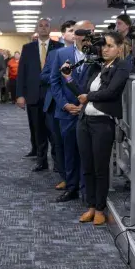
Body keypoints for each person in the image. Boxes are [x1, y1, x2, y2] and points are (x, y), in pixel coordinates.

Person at [61, 32, 130, 226]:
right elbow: (81, 93)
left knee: (100, 168)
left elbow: (111, 92)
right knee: (87, 166)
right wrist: (68, 78)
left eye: (109, 45)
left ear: (119, 47)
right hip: (84, 122)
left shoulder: (122, 66)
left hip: (102, 123)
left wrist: (89, 97)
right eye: (103, 46)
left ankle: (100, 208)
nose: (105, 49)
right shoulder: (97, 68)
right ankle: (91, 206)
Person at [16, 18, 63, 171]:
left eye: (46, 26)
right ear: (37, 29)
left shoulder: (59, 47)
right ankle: (41, 161)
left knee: (54, 131)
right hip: (33, 95)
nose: (43, 28)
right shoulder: (28, 48)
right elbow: (22, 72)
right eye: (40, 26)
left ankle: (57, 162)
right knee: (38, 130)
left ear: (50, 28)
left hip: (53, 95)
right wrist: (20, 95)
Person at [50, 20, 86, 202]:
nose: (83, 36)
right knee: (69, 151)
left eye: (89, 32)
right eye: (80, 32)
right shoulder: (61, 53)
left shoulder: (99, 54)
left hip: (88, 111)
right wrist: (65, 104)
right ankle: (71, 187)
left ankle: (87, 190)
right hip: (67, 111)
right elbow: (54, 82)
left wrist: (84, 105)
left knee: (87, 153)